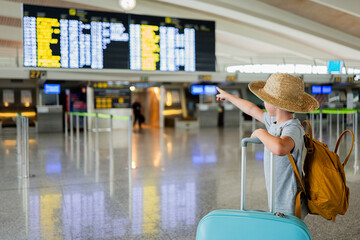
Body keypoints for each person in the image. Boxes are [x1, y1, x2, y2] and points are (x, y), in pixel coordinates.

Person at [216, 73, 319, 218]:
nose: (263, 103)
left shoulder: (293, 127)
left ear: (276, 105)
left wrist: (260, 132)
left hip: (289, 199)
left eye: (265, 100)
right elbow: (251, 109)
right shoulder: (274, 122)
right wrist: (229, 97)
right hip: (277, 194)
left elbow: (280, 148)